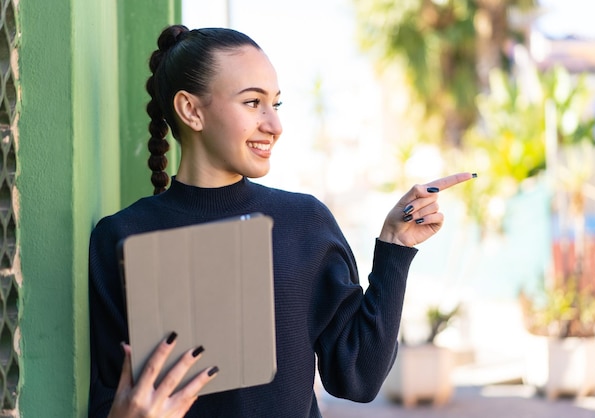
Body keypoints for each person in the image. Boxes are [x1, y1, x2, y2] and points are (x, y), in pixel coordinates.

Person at [88, 24, 475, 418]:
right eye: (252, 102)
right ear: (191, 109)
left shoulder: (304, 223)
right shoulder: (120, 237)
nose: (274, 125)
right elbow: (107, 398)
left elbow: (357, 377)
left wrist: (395, 246)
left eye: (276, 104)